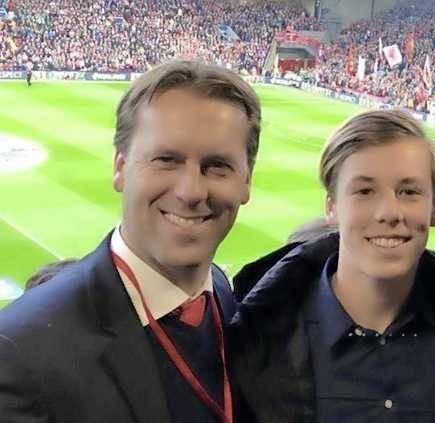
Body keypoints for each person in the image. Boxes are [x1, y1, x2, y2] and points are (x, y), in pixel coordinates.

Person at [0, 60, 261, 423]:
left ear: (246, 181)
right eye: (166, 160)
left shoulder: (220, 290)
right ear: (120, 168)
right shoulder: (20, 353)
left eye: (217, 166)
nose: (191, 191)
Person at [228, 109, 435, 422]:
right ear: (332, 206)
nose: (389, 212)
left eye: (409, 192)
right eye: (365, 191)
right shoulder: (257, 338)